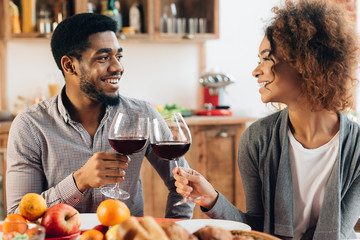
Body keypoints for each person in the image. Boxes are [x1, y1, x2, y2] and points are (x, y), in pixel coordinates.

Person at [173, 0, 360, 239]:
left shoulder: (356, 148)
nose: (256, 71)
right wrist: (212, 199)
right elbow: (255, 228)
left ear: (304, 61)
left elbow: (338, 233)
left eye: (265, 59)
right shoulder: (256, 139)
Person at [6, 13, 194, 218]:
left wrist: (175, 230)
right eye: (103, 58)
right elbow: (18, 216)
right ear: (70, 65)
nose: (117, 67)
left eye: (118, 56)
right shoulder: (30, 126)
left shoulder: (143, 115)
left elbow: (183, 186)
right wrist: (79, 182)